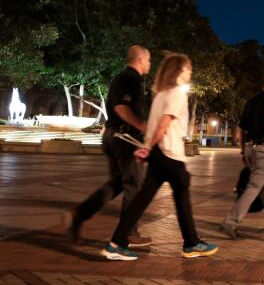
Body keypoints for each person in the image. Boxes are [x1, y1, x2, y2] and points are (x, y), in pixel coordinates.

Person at [101, 53, 218, 261]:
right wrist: (148, 147)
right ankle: (191, 244)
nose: (190, 72)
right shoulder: (176, 94)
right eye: (188, 69)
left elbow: (156, 124)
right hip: (170, 155)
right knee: (181, 196)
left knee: (143, 200)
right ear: (179, 71)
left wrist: (149, 148)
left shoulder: (161, 95)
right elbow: (163, 124)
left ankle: (116, 243)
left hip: (159, 155)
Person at [66, 45, 152, 247]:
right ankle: (129, 232)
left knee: (117, 184)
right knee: (134, 185)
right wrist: (140, 124)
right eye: (148, 60)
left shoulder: (123, 78)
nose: (150, 64)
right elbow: (121, 107)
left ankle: (79, 214)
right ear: (140, 59)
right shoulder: (129, 78)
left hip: (113, 136)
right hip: (124, 138)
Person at [219, 71, 264, 238]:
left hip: (251, 148)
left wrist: (243, 150)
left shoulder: (251, 102)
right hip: (263, 150)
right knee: (254, 187)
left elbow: (241, 129)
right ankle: (230, 222)